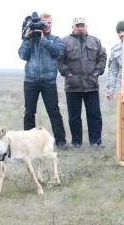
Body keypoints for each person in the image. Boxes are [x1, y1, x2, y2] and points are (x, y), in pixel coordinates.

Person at [18, 12, 67, 149]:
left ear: (52, 23)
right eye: (44, 22)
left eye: (49, 23)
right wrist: (28, 40)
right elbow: (22, 55)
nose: (47, 25)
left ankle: (61, 142)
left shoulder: (56, 39)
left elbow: (58, 51)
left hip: (48, 81)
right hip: (31, 80)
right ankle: (28, 143)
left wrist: (43, 39)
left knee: (54, 112)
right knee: (29, 112)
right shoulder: (30, 38)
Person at [58, 17, 107, 148]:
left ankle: (96, 142)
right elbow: (59, 60)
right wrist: (67, 73)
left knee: (95, 115)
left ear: (86, 26)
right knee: (74, 116)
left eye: (82, 26)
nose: (80, 28)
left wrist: (97, 71)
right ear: (72, 27)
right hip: (72, 86)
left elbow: (102, 57)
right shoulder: (64, 42)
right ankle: (76, 142)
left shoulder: (95, 41)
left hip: (91, 85)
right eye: (77, 26)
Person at [107, 21, 124, 100]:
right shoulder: (115, 50)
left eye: (123, 31)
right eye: (119, 32)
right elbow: (112, 72)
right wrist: (110, 90)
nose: (121, 34)